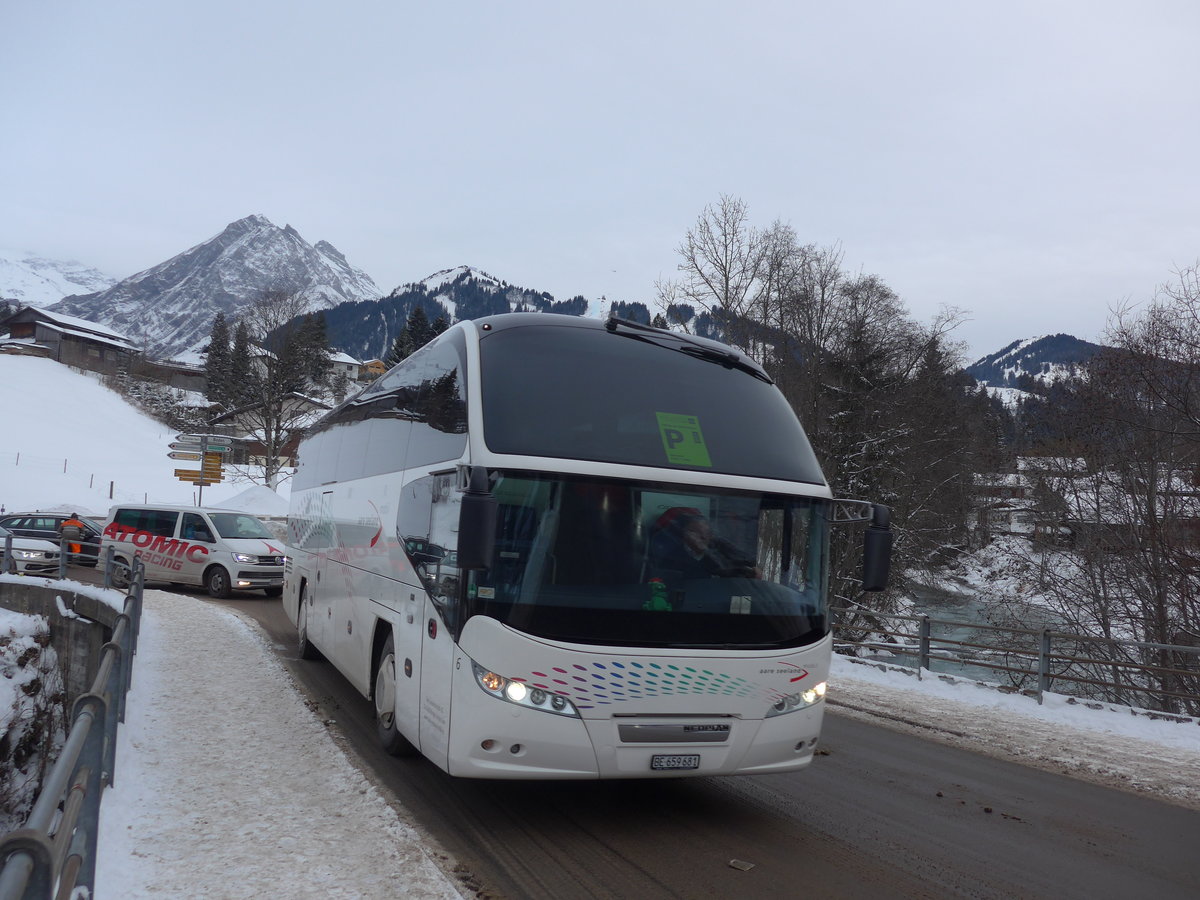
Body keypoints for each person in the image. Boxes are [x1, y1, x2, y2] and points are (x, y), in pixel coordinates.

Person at [648, 507, 758, 584]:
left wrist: (749, 570)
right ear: (684, 534)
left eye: (707, 532)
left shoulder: (719, 551)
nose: (703, 537)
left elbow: (740, 561)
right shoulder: (672, 560)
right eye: (695, 532)